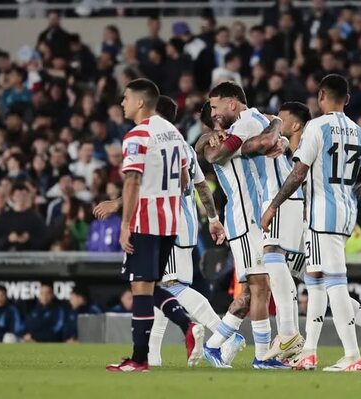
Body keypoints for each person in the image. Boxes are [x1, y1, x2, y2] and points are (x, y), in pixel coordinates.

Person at [261, 74, 361, 371]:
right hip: (345, 214)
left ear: (321, 95)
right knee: (316, 282)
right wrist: (348, 196)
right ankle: (310, 351)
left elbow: (299, 173)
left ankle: (352, 356)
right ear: (347, 99)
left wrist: (274, 205)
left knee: (334, 283)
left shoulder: (317, 127)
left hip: (321, 215)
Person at [95, 95, 234, 367]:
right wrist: (213, 218)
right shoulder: (180, 143)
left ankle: (222, 334)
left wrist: (119, 206)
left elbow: (146, 186)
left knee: (169, 286)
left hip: (161, 221)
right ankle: (151, 357)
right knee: (158, 287)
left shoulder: (151, 140)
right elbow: (196, 184)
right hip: (184, 222)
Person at [104, 78, 205, 373]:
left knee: (140, 288)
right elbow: (185, 180)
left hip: (145, 221)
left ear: (139, 102)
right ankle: (185, 327)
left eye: (125, 98)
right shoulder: (174, 133)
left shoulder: (137, 135)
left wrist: (124, 224)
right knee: (149, 286)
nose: (122, 104)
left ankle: (139, 358)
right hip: (170, 221)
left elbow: (132, 180)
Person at [195, 82, 290, 369]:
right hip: (242, 218)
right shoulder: (247, 124)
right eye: (211, 112)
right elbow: (209, 153)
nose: (215, 114)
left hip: (254, 216)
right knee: (260, 286)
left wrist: (278, 135)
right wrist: (277, 126)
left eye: (215, 107)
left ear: (231, 104)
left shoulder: (246, 123)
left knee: (255, 290)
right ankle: (263, 357)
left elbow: (262, 143)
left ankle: (213, 345)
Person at [0, 183, 47, 251]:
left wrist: (29, 239)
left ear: (28, 196)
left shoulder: (36, 218)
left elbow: (45, 241)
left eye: (24, 195)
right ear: (12, 196)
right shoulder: (4, 218)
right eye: (18, 195)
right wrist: (8, 239)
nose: (21, 198)